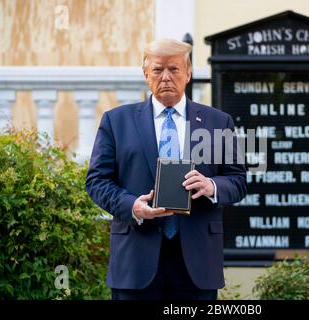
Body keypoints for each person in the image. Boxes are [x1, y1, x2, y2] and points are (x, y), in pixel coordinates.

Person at [85, 38, 247, 300]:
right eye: (158, 70)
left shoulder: (218, 121)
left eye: (174, 69)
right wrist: (132, 206)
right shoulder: (116, 121)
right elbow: (96, 181)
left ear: (188, 73)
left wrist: (212, 186)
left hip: (197, 263)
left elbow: (238, 180)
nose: (166, 77)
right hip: (136, 260)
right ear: (145, 74)